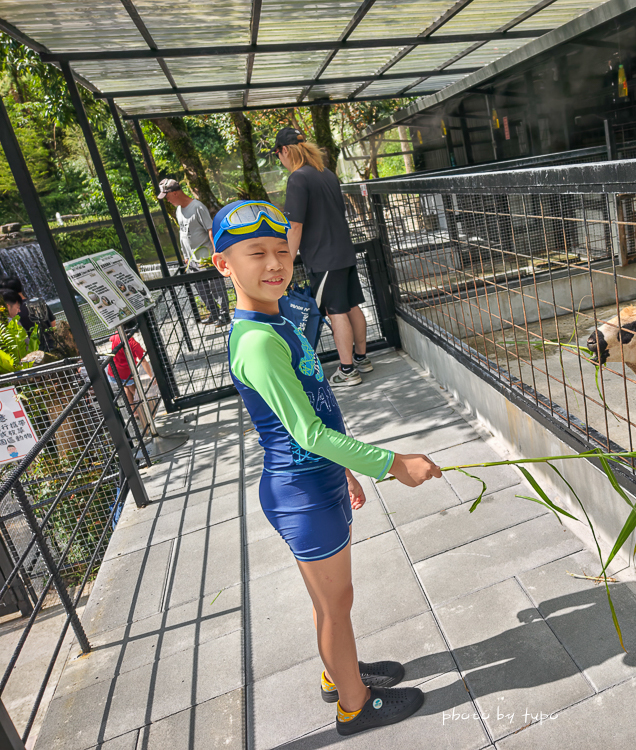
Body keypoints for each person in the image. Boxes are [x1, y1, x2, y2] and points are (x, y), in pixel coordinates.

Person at [212, 199, 441, 735]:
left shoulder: (274, 320)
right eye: (255, 253)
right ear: (224, 264)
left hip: (315, 479)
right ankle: (355, 706)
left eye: (281, 252)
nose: (274, 264)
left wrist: (343, 467)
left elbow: (312, 409)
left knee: (332, 600)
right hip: (301, 491)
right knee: (336, 604)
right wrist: (392, 463)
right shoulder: (257, 341)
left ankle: (339, 674)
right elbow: (306, 433)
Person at [275, 128, 372, 388]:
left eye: (278, 155)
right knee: (352, 306)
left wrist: (286, 259)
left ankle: (348, 370)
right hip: (343, 251)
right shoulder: (325, 173)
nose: (280, 161)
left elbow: (294, 226)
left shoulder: (297, 178)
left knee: (335, 311)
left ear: (284, 151)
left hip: (324, 256)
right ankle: (362, 358)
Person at [158, 178, 231, 327]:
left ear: (175, 193)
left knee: (216, 287)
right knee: (201, 289)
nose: (167, 200)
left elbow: (210, 230)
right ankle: (213, 313)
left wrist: (216, 253)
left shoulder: (197, 207)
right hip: (191, 259)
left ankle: (225, 314)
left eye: (167, 196)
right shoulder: (178, 210)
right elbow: (183, 234)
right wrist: (185, 255)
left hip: (206, 257)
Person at [106, 330, 157, 432]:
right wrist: (151, 376)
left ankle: (134, 412)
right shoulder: (133, 344)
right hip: (126, 373)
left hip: (113, 372)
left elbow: (110, 339)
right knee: (135, 391)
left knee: (126, 388)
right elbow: (143, 360)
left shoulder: (117, 334)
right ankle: (144, 410)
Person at [1, 278, 54, 350]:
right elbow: (53, 322)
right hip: (51, 344)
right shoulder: (38, 302)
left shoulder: (13, 314)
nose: (18, 310)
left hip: (35, 350)